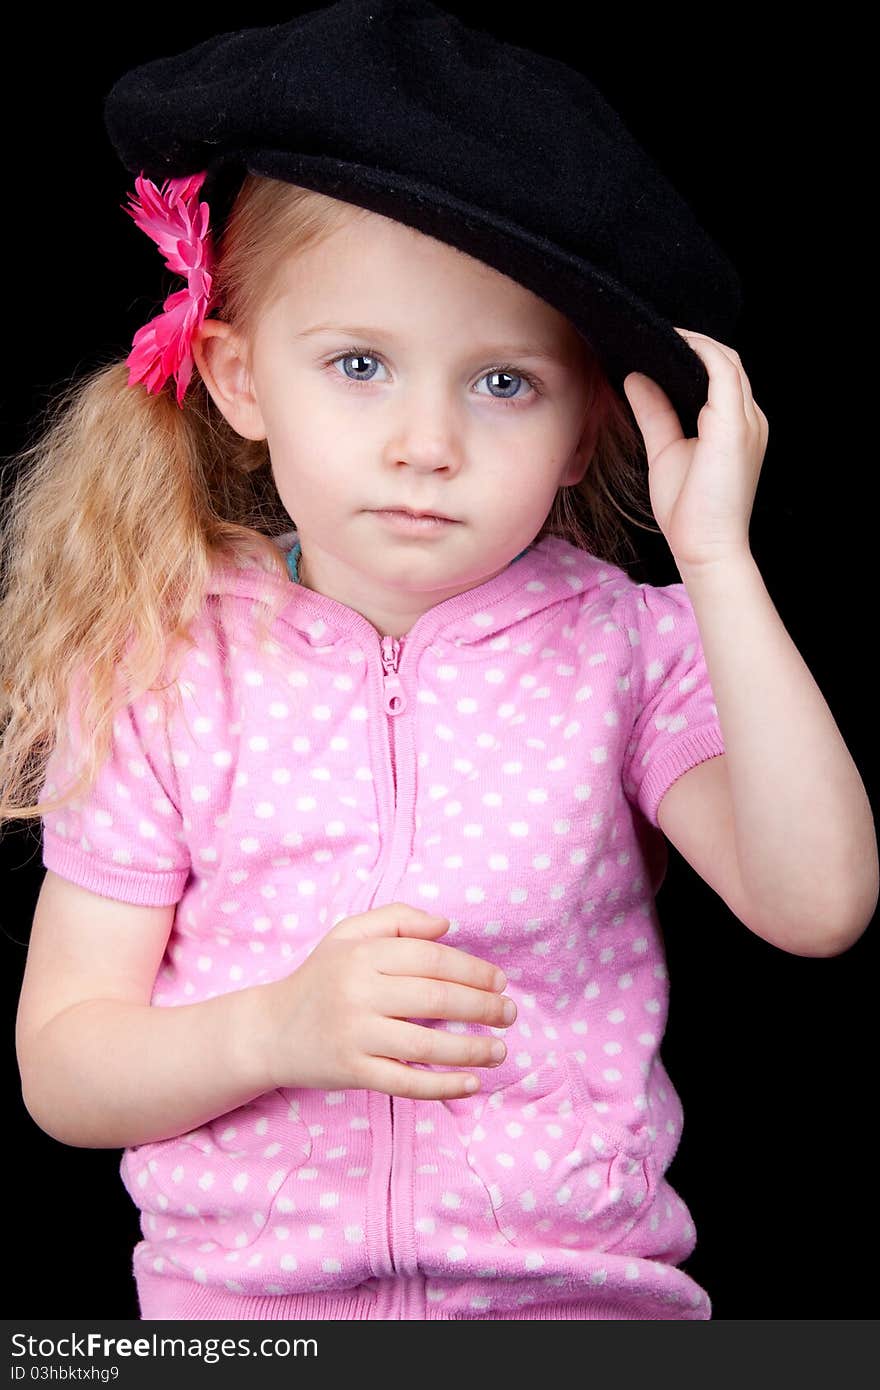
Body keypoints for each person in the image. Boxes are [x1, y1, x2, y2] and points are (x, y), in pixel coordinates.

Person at [1, 0, 876, 1323]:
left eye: (504, 384)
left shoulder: (631, 651)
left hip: (574, 1314)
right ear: (240, 380)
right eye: (361, 363)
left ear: (588, 426)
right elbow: (65, 1065)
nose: (427, 441)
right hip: (240, 1325)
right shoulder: (169, 662)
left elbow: (817, 905)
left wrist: (720, 565)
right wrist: (278, 1028)